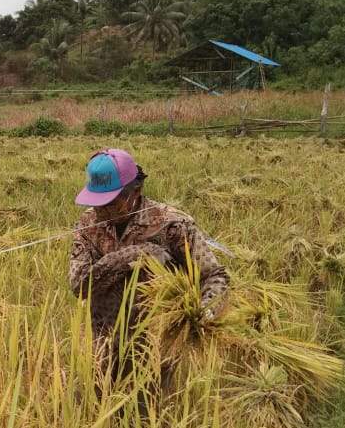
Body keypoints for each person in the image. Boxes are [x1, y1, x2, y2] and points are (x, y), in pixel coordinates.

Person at [69, 149, 229, 378]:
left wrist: (205, 311)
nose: (101, 211)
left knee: (146, 411)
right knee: (94, 407)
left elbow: (213, 276)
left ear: (135, 191)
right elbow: (79, 286)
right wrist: (131, 255)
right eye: (97, 203)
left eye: (110, 204)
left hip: (154, 345)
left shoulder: (172, 225)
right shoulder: (88, 224)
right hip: (101, 341)